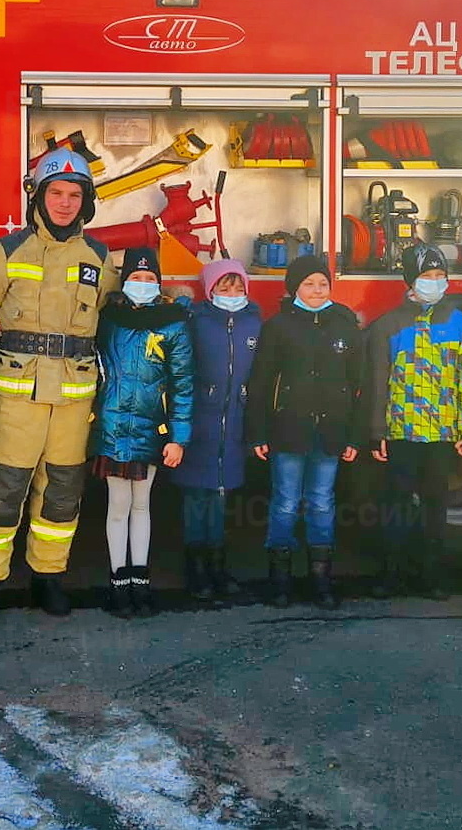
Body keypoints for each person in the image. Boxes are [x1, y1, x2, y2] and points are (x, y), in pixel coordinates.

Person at [0, 148, 119, 626]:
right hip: (15, 399)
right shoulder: (7, 252)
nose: (66, 203)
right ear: (39, 195)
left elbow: (115, 320)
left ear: (87, 201)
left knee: (62, 495)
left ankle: (47, 578)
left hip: (74, 402)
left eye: (75, 195)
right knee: (1, 494)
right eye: (57, 193)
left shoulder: (98, 258)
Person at [246, 253, 364, 609]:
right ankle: (280, 579)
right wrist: (258, 433)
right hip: (288, 431)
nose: (317, 290)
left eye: (323, 284)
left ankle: (321, 577)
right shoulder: (278, 327)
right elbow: (261, 384)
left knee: (322, 502)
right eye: (309, 284)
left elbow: (358, 385)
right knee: (284, 501)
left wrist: (355, 436)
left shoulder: (345, 325)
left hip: (331, 432)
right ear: (294, 288)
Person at [365, 244, 462, 600]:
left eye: (440, 276)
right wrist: (376, 431)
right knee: (396, 505)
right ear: (410, 280)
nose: (435, 282)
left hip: (442, 435)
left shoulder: (459, 323)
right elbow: (376, 382)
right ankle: (391, 573)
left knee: (435, 506)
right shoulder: (389, 324)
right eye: (427, 276)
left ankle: (433, 575)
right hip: (402, 433)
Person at [90, 248, 194, 618]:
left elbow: (183, 383)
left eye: (150, 279)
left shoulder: (173, 323)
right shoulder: (108, 319)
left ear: (160, 284)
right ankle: (118, 580)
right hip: (112, 428)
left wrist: (178, 437)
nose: (144, 284)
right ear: (124, 281)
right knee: (117, 506)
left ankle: (140, 579)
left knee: (142, 505)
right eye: (137, 278)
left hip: (152, 429)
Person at [174, 257, 262, 602]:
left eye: (238, 286)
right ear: (209, 289)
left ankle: (218, 565)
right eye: (225, 287)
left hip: (234, 422)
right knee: (196, 497)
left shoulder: (254, 321)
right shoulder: (195, 319)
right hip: (200, 422)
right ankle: (195, 568)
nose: (232, 292)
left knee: (221, 497)